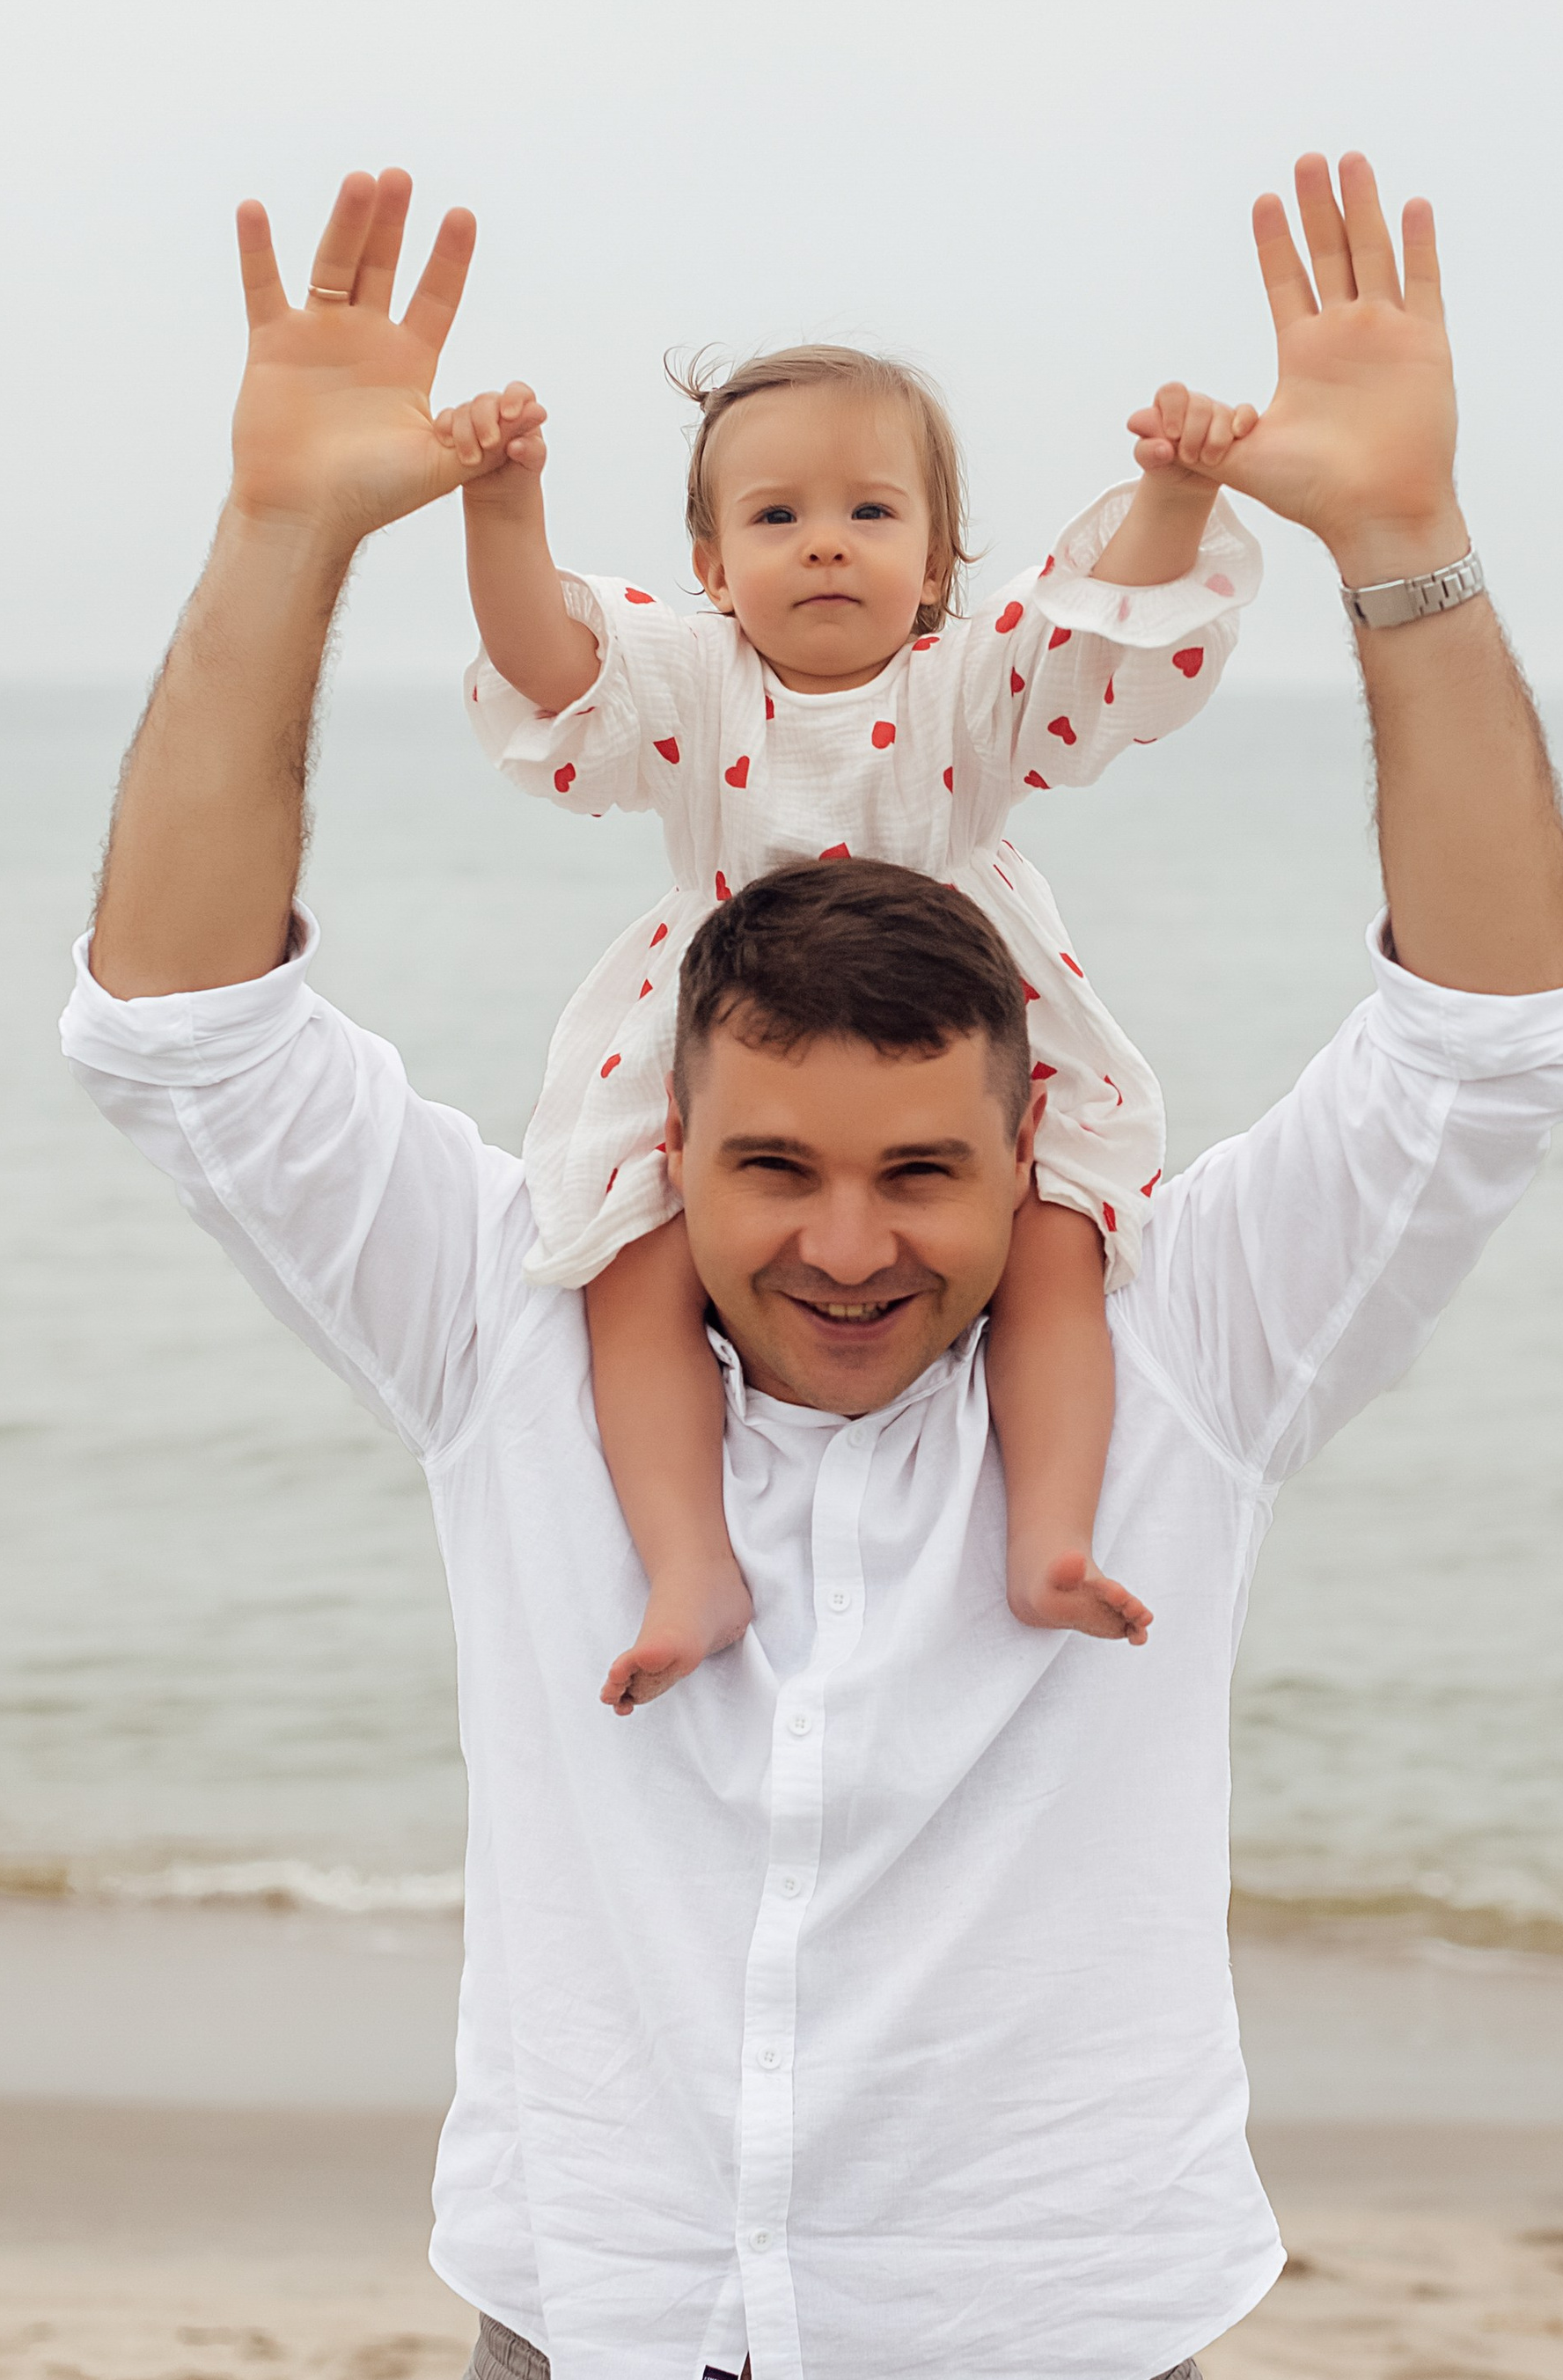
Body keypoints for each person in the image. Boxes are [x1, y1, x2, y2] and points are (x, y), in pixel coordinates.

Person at [66, 152, 1563, 2380]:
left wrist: (1404, 554)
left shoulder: (1198, 1352)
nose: (850, 1241)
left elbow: (1489, 1056)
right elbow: (185, 1039)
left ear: (1045, 1139)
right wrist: (286, 538)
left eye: (928, 1171)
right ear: (666, 1145)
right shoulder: (506, 1336)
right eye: (770, 1166)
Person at [434, 341, 1264, 1711]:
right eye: (777, 517)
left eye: (870, 513)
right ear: (710, 565)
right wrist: (500, 507)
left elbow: (1106, 644)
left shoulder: (963, 689)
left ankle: (1049, 1533)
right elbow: (552, 668)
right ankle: (689, 1560)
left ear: (939, 563)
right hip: (726, 1013)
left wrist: (1168, 494)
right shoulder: (697, 683)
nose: (826, 546)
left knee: (1057, 1236)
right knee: (628, 1251)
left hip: (961, 1014)